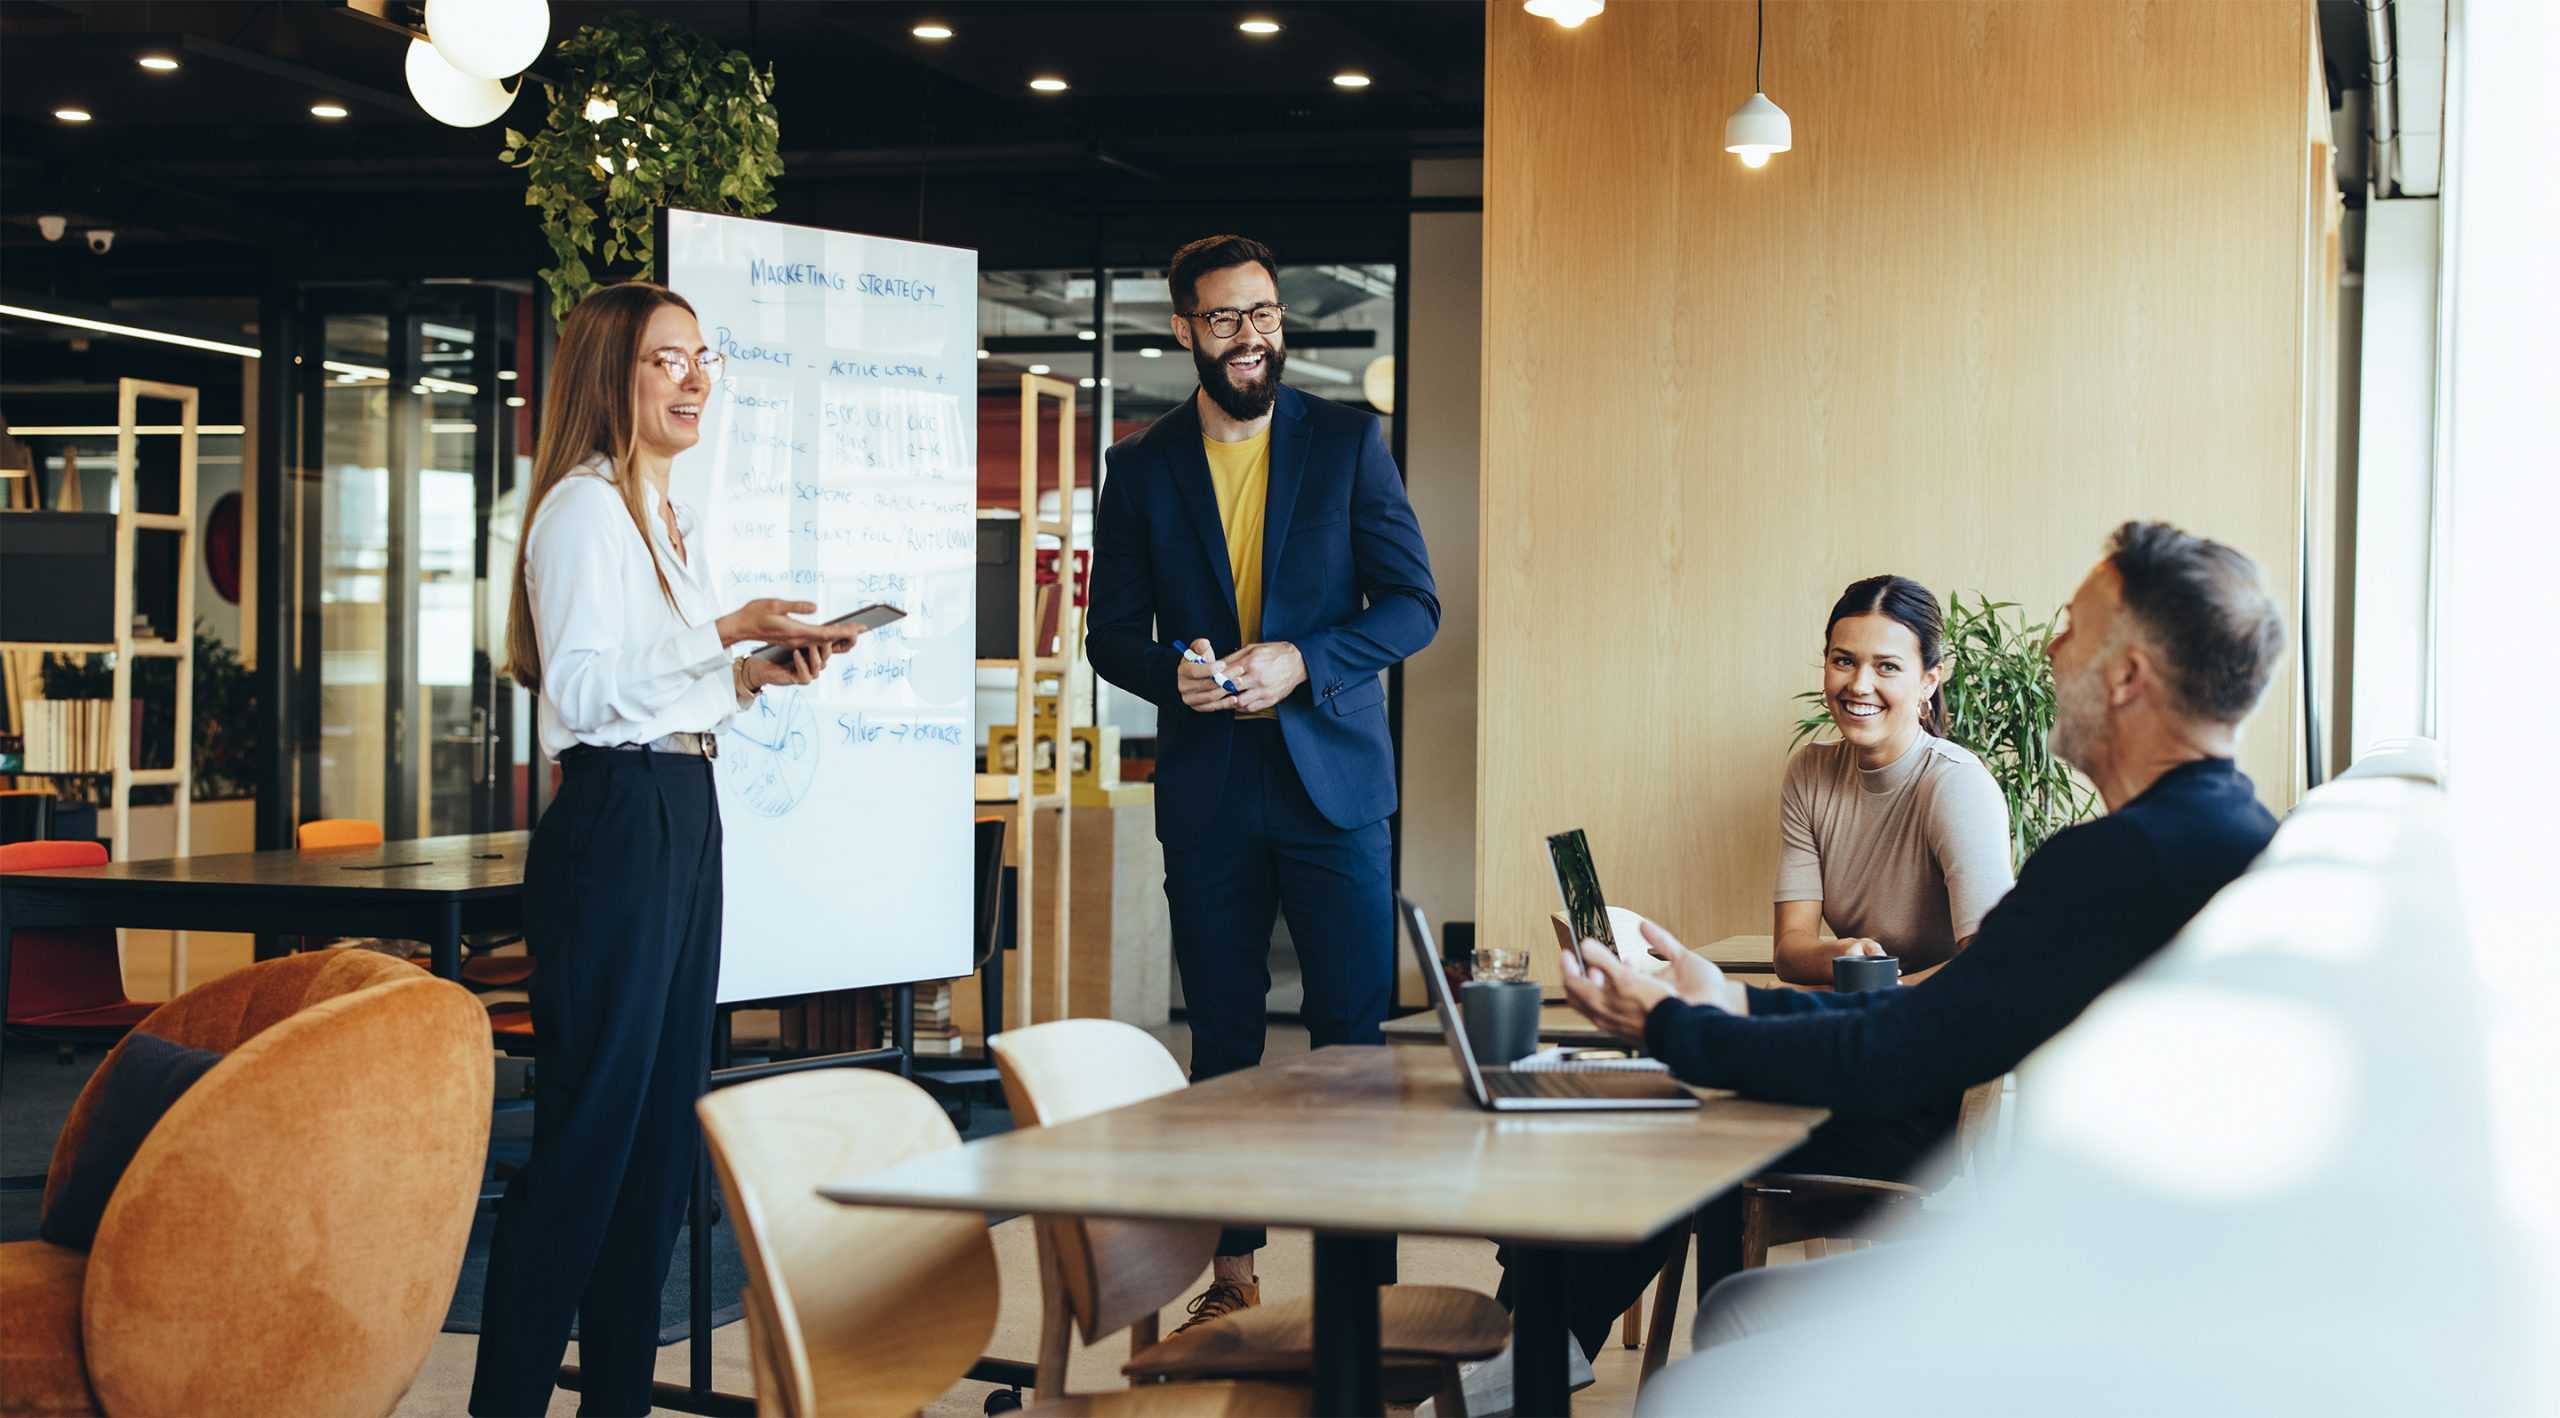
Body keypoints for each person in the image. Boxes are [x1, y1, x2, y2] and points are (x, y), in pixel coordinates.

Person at [1563, 521, 2288, 1399]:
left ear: (2128, 676)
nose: (2051, 654)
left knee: (1701, 1365)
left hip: (2101, 1294)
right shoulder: (2224, 835)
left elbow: (1906, 1046)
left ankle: (1529, 1348)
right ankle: (1538, 1339)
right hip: (2143, 1270)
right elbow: (1921, 1020)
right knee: (1733, 1311)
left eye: (2071, 630)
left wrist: (1676, 1023)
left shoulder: (2124, 865)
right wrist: (1736, 1008)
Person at [471, 281, 852, 1417]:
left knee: (655, 1145)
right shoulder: (585, 510)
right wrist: (728, 628)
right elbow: (583, 694)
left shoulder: (660, 512)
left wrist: (742, 674)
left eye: (702, 359)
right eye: (665, 361)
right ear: (612, 378)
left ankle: (617, 1403)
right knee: (593, 1139)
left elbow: (658, 688)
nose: (694, 381)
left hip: (682, 802)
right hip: (617, 822)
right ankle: (506, 1402)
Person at [1085, 234, 1439, 1327]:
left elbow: (1412, 604)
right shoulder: (1141, 466)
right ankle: (1231, 1273)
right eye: (1227, 319)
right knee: (1226, 1040)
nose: (1252, 338)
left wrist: (1304, 658)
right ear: (1184, 330)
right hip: (1211, 787)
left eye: (1266, 314)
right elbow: (1109, 634)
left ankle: (1359, 1296)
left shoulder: (1346, 442)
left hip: (1335, 787)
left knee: (1351, 1046)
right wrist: (1171, 677)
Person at [1771, 575, 2014, 985]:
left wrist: (1884, 995)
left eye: (1887, 666)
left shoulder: (1956, 784)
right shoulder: (1809, 773)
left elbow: (1994, 963)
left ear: (1929, 680)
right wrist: (1840, 953)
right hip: (1870, 1011)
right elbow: (1791, 951)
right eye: (1844, 661)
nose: (1859, 685)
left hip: (1949, 1019)